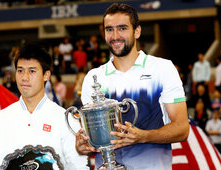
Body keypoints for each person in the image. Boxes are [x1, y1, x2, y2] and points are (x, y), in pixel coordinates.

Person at [75, 3, 189, 170]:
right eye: (109, 29)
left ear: (137, 31)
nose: (115, 36)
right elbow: (89, 137)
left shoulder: (162, 68)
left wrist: (143, 136)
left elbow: (182, 128)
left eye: (122, 28)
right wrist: (82, 146)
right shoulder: (93, 78)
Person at [0, 44, 88, 169]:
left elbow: (78, 167)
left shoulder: (65, 120)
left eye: (32, 71)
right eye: (20, 71)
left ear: (46, 75)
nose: (24, 77)